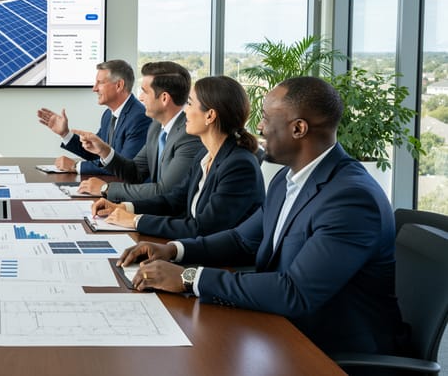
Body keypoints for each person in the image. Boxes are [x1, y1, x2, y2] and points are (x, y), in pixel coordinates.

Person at [119, 76, 405, 358]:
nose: (259, 126)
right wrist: (173, 250)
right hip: (279, 330)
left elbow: (296, 291)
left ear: (298, 128)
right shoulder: (286, 179)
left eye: (267, 118)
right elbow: (242, 240)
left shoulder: (351, 199)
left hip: (329, 350)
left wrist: (189, 278)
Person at [89, 76, 264, 238]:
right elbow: (173, 200)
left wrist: (135, 220)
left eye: (189, 104)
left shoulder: (239, 165)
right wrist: (124, 207)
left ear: (210, 116)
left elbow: (204, 228)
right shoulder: (205, 154)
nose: (185, 111)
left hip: (222, 263)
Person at [75, 61, 202, 200]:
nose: (140, 97)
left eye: (145, 91)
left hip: (173, 217)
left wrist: (106, 188)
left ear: (164, 98)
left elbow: (165, 191)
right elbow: (135, 171)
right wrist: (104, 151)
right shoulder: (156, 127)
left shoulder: (189, 136)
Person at [36, 60, 152, 175]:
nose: (94, 88)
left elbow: (124, 168)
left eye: (100, 82)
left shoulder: (139, 117)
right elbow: (96, 152)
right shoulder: (108, 115)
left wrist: (75, 166)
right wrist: (65, 134)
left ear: (119, 85)